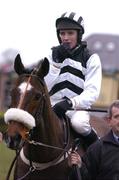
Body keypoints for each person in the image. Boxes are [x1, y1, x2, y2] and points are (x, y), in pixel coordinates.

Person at [44, 11, 102, 147]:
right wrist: (56, 64)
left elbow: (92, 92)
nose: (65, 37)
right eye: (62, 33)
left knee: (79, 124)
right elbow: (45, 86)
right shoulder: (51, 56)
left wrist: (71, 103)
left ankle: (98, 149)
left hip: (77, 109)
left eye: (70, 33)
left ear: (79, 34)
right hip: (52, 106)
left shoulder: (91, 58)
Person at [68, 99, 119, 180]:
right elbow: (87, 177)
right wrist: (79, 167)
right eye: (117, 116)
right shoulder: (97, 148)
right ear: (109, 121)